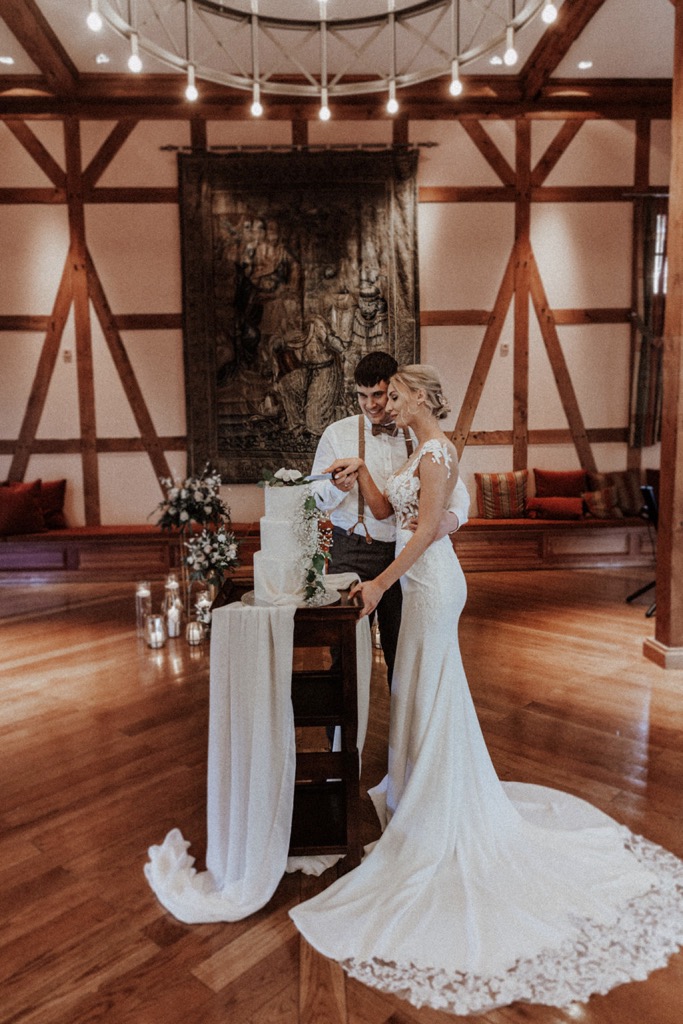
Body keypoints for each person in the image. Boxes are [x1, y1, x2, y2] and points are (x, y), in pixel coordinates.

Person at [290, 364, 683, 1016]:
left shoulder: (437, 451)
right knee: (415, 690)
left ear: (418, 396)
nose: (388, 404)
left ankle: (436, 808)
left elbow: (427, 528)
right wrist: (361, 476)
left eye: (396, 394)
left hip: (429, 582)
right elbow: (391, 511)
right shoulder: (417, 448)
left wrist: (382, 582)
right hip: (416, 579)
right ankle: (418, 795)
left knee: (428, 687)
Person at [309, 351, 470, 688]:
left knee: (402, 650)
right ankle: (344, 723)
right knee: (345, 651)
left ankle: (404, 717)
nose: (370, 405)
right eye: (362, 396)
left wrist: (449, 521)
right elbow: (315, 497)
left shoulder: (418, 435)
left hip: (403, 556)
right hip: (350, 549)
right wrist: (337, 489)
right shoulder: (337, 434)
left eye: (380, 395)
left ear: (396, 390)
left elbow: (457, 493)